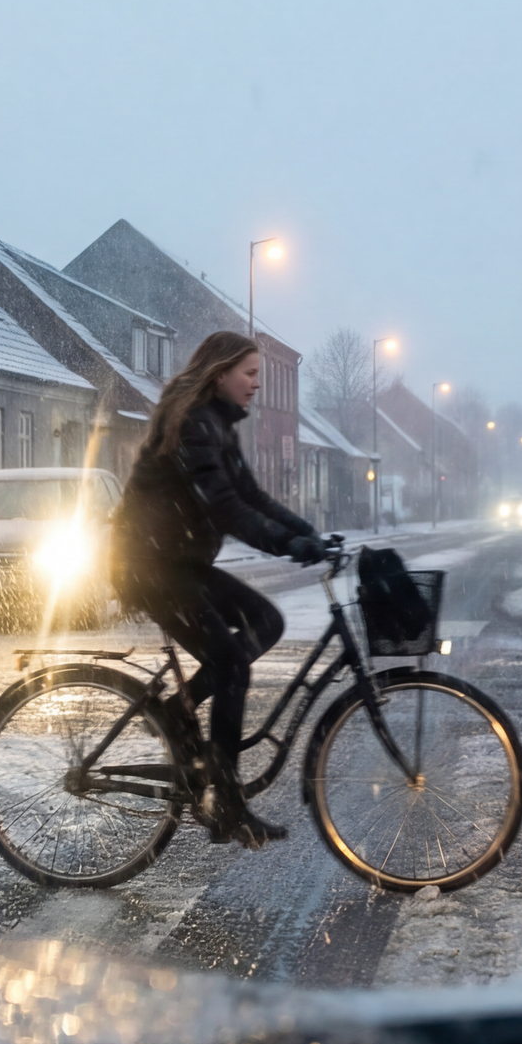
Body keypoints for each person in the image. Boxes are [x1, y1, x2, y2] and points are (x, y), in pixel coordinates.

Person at [112, 330, 326, 848]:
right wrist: (287, 544)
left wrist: (307, 533)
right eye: (251, 374)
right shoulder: (192, 424)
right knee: (231, 662)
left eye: (260, 375)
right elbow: (223, 507)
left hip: (180, 562)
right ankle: (228, 804)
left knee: (267, 622)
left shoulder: (218, 425)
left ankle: (175, 708)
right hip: (149, 566)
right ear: (220, 373)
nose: (257, 384)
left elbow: (250, 494)